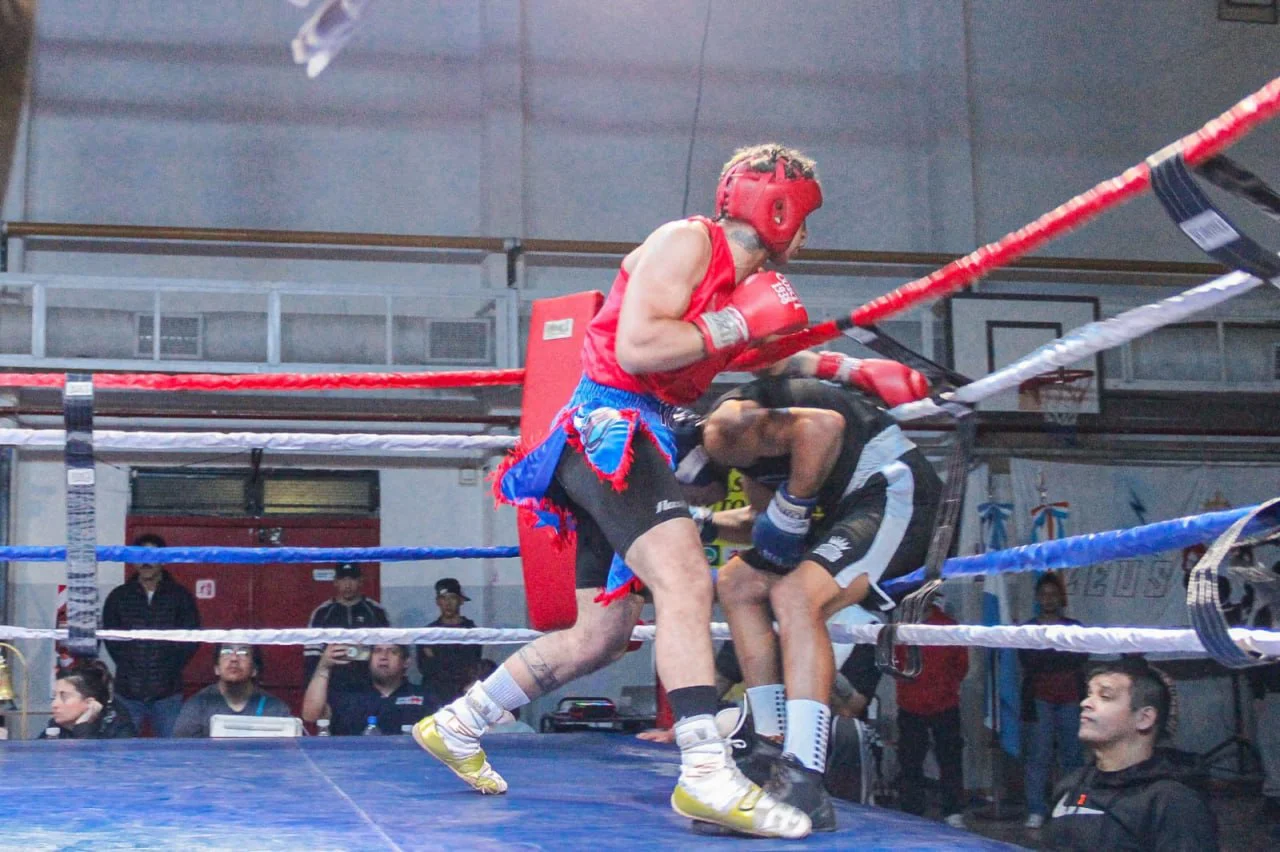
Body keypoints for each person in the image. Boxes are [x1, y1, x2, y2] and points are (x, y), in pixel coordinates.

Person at [416, 144, 832, 840]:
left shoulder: (739, 286)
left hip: (641, 439)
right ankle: (705, 771)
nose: (810, 234)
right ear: (783, 207)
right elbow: (639, 348)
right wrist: (734, 325)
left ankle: (461, 722)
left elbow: (762, 351)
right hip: (610, 430)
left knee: (601, 637)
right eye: (808, 216)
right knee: (688, 581)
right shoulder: (686, 241)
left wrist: (852, 368)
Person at [684, 374, 940, 830]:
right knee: (737, 582)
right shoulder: (749, 456)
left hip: (891, 490)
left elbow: (823, 428)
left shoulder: (723, 431)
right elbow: (763, 521)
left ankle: (804, 775)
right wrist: (700, 522)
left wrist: (795, 506)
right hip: (848, 510)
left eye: (681, 494)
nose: (687, 498)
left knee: (796, 596)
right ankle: (767, 746)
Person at [1045, 657, 1218, 851]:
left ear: (1144, 718)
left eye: (1105, 696)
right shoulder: (1071, 786)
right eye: (1088, 694)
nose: (1086, 703)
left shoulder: (1173, 803)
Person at [101, 533, 202, 737]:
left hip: (168, 693)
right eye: (140, 555)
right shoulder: (118, 597)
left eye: (152, 555)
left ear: (163, 560)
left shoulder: (180, 596)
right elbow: (112, 639)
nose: (146, 561)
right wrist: (130, 665)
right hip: (127, 692)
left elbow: (191, 638)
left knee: (171, 754)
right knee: (122, 754)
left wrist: (169, 667)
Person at [1020, 572, 1088, 829]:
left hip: (1071, 697)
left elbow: (1080, 657)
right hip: (1040, 700)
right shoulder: (1027, 629)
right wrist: (1057, 655)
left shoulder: (1075, 627)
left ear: (1061, 598)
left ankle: (1073, 805)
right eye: (1044, 594)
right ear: (1038, 598)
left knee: (1073, 757)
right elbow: (1028, 661)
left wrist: (1050, 655)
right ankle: (1037, 809)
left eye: (1053, 594)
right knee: (1038, 756)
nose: (1048, 599)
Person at [893, 600, 969, 828]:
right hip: (910, 705)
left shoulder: (947, 626)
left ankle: (953, 811)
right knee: (910, 761)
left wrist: (945, 687)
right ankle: (911, 812)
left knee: (950, 759)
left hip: (944, 704)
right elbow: (894, 662)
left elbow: (961, 665)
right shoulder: (900, 628)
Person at [302, 643, 438, 735]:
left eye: (393, 652)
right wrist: (324, 667)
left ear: (406, 662)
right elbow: (310, 715)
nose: (384, 657)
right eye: (377, 651)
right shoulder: (349, 694)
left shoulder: (424, 697)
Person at [303, 562, 389, 693]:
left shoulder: (376, 611)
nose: (347, 585)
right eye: (343, 579)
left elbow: (388, 649)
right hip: (332, 686)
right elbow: (311, 655)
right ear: (335, 582)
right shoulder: (322, 613)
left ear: (360, 581)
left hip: (370, 687)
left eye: (352, 579)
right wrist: (313, 687)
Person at [173, 643, 292, 737]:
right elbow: (182, 753)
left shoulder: (275, 709)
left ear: (255, 670)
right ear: (216, 668)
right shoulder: (197, 706)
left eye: (243, 652)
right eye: (226, 651)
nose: (234, 658)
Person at [417, 577, 483, 701]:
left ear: (460, 601)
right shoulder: (428, 633)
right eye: (443, 598)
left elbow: (469, 666)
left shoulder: (471, 631)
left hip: (462, 695)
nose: (447, 603)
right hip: (433, 696)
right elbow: (425, 669)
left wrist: (436, 658)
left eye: (452, 597)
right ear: (438, 601)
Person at [41, 660, 136, 739]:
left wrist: (83, 727)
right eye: (55, 696)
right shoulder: (56, 726)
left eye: (64, 697)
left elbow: (96, 760)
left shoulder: (118, 729)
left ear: (90, 703)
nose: (54, 705)